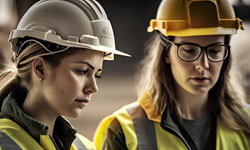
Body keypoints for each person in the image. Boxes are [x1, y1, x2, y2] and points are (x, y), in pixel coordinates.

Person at [94, 0, 250, 150]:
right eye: (189, 51)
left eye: (214, 51)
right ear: (166, 53)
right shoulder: (123, 131)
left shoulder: (246, 122)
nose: (203, 65)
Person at [0, 0, 130, 149]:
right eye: (82, 71)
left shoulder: (85, 147)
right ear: (40, 68)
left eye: (97, 75)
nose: (93, 87)